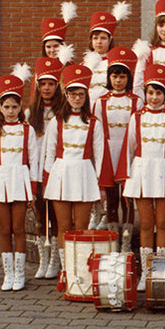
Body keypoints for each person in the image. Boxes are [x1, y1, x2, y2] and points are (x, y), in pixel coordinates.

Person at [117, 64, 165, 291]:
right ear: (145, 93)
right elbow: (129, 149)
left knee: (162, 223)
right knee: (146, 224)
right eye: (150, 92)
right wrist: (127, 177)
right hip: (142, 173)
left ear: (164, 95)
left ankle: (162, 272)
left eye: (158, 93)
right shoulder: (136, 117)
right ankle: (146, 273)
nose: (154, 97)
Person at [42, 62, 112, 291]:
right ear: (66, 95)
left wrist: (100, 184)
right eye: (72, 94)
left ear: (86, 96)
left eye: (81, 94)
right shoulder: (56, 121)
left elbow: (100, 155)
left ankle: (80, 272)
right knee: (63, 226)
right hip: (61, 174)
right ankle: (66, 271)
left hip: (83, 174)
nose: (76, 98)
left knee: (80, 227)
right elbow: (49, 153)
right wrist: (49, 180)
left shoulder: (94, 123)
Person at [0, 66, 40, 291]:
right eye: (6, 107)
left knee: (19, 228)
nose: (11, 110)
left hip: (20, 181)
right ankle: (9, 274)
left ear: (20, 108)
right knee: (4, 229)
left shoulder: (27, 130)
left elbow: (34, 161)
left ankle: (20, 274)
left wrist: (32, 190)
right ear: (1, 108)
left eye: (15, 106)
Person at [92, 47, 143, 239]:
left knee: (127, 197)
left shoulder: (136, 101)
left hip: (129, 152)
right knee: (112, 197)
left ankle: (127, 240)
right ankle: (113, 235)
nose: (118, 80)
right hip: (108, 151)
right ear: (109, 78)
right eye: (114, 76)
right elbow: (96, 131)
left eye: (122, 76)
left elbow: (138, 131)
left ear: (128, 78)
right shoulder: (100, 102)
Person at [27, 54, 65, 279]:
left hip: (57, 170)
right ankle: (43, 260)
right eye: (43, 84)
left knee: (57, 218)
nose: (47, 88)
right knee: (40, 218)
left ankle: (56, 262)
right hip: (37, 171)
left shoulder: (63, 112)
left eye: (51, 84)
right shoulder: (31, 113)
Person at [84, 1, 131, 105]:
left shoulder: (116, 62)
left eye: (103, 38)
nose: (99, 42)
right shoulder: (84, 63)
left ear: (110, 40)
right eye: (95, 38)